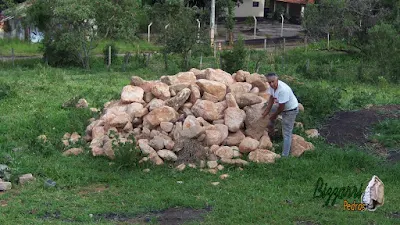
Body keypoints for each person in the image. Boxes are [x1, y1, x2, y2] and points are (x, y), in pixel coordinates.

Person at [262, 72, 299, 157]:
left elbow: (281, 108)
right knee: (265, 108)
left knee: (286, 133)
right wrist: (267, 110)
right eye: (269, 82)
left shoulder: (283, 90)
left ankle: (284, 155)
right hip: (281, 106)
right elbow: (271, 97)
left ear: (277, 80)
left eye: (273, 81)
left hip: (290, 110)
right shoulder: (272, 87)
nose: (271, 84)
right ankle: (271, 131)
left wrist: (273, 116)